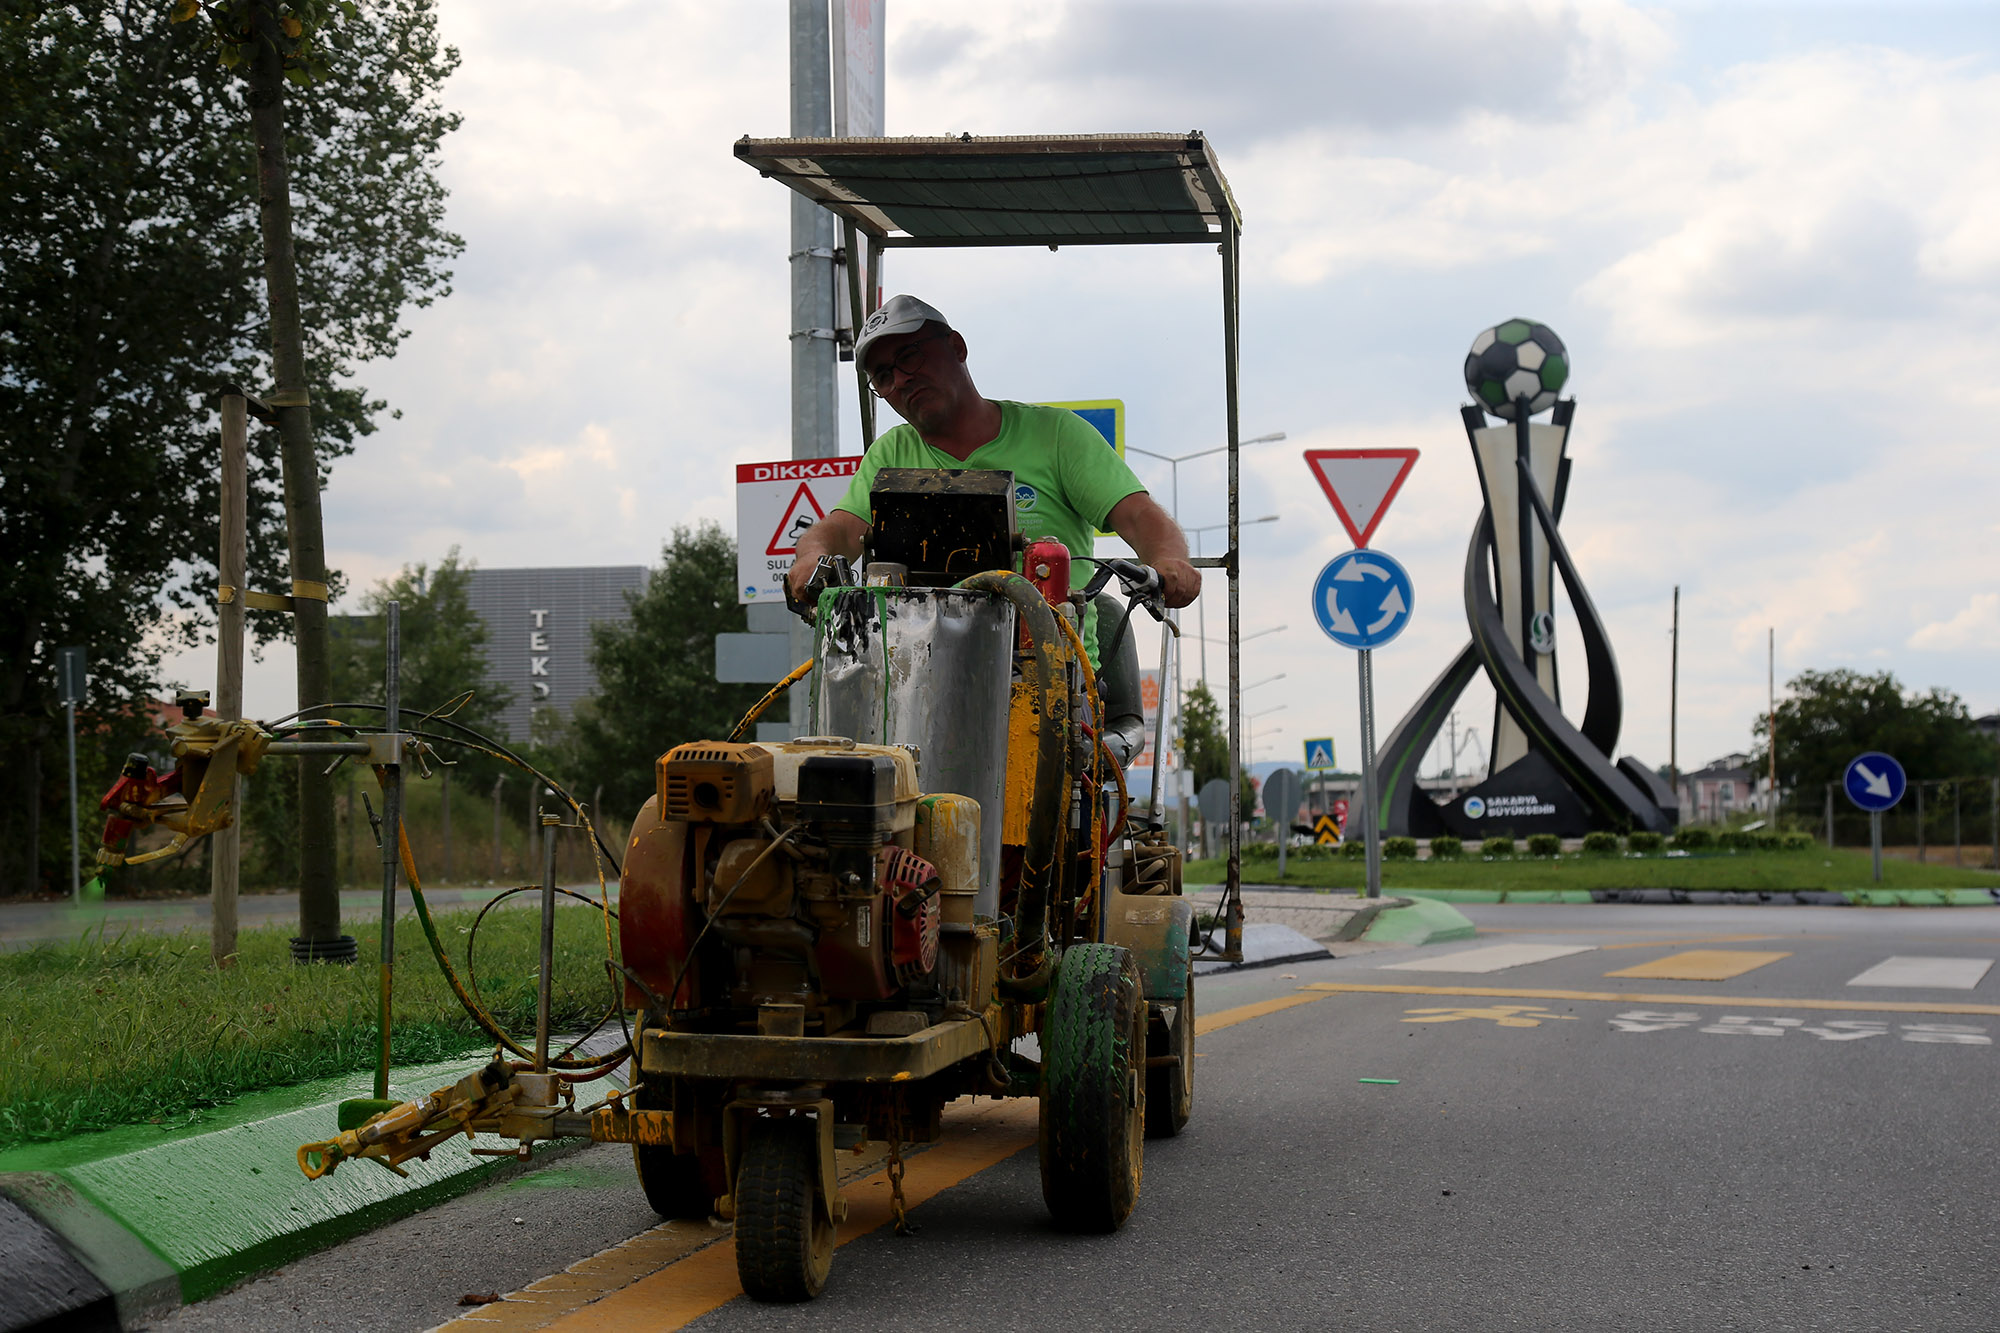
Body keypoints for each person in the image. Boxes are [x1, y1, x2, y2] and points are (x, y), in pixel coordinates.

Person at [786, 295, 1200, 666]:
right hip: (918, 675)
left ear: (957, 347)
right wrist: (812, 556)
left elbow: (1138, 516)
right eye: (884, 376)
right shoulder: (891, 453)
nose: (901, 380)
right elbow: (842, 529)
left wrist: (1169, 562)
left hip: (1049, 676)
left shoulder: (1056, 436)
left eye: (909, 357)